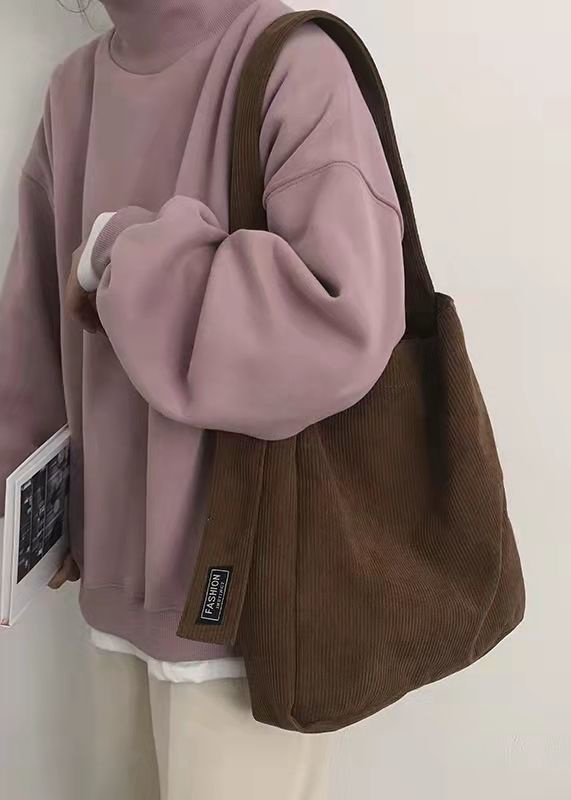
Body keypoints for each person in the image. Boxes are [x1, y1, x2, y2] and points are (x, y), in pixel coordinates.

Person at [0, 0, 405, 797]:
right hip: (110, 600)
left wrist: (126, 254)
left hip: (250, 614)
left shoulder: (295, 63)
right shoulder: (74, 90)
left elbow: (342, 324)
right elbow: (31, 337)